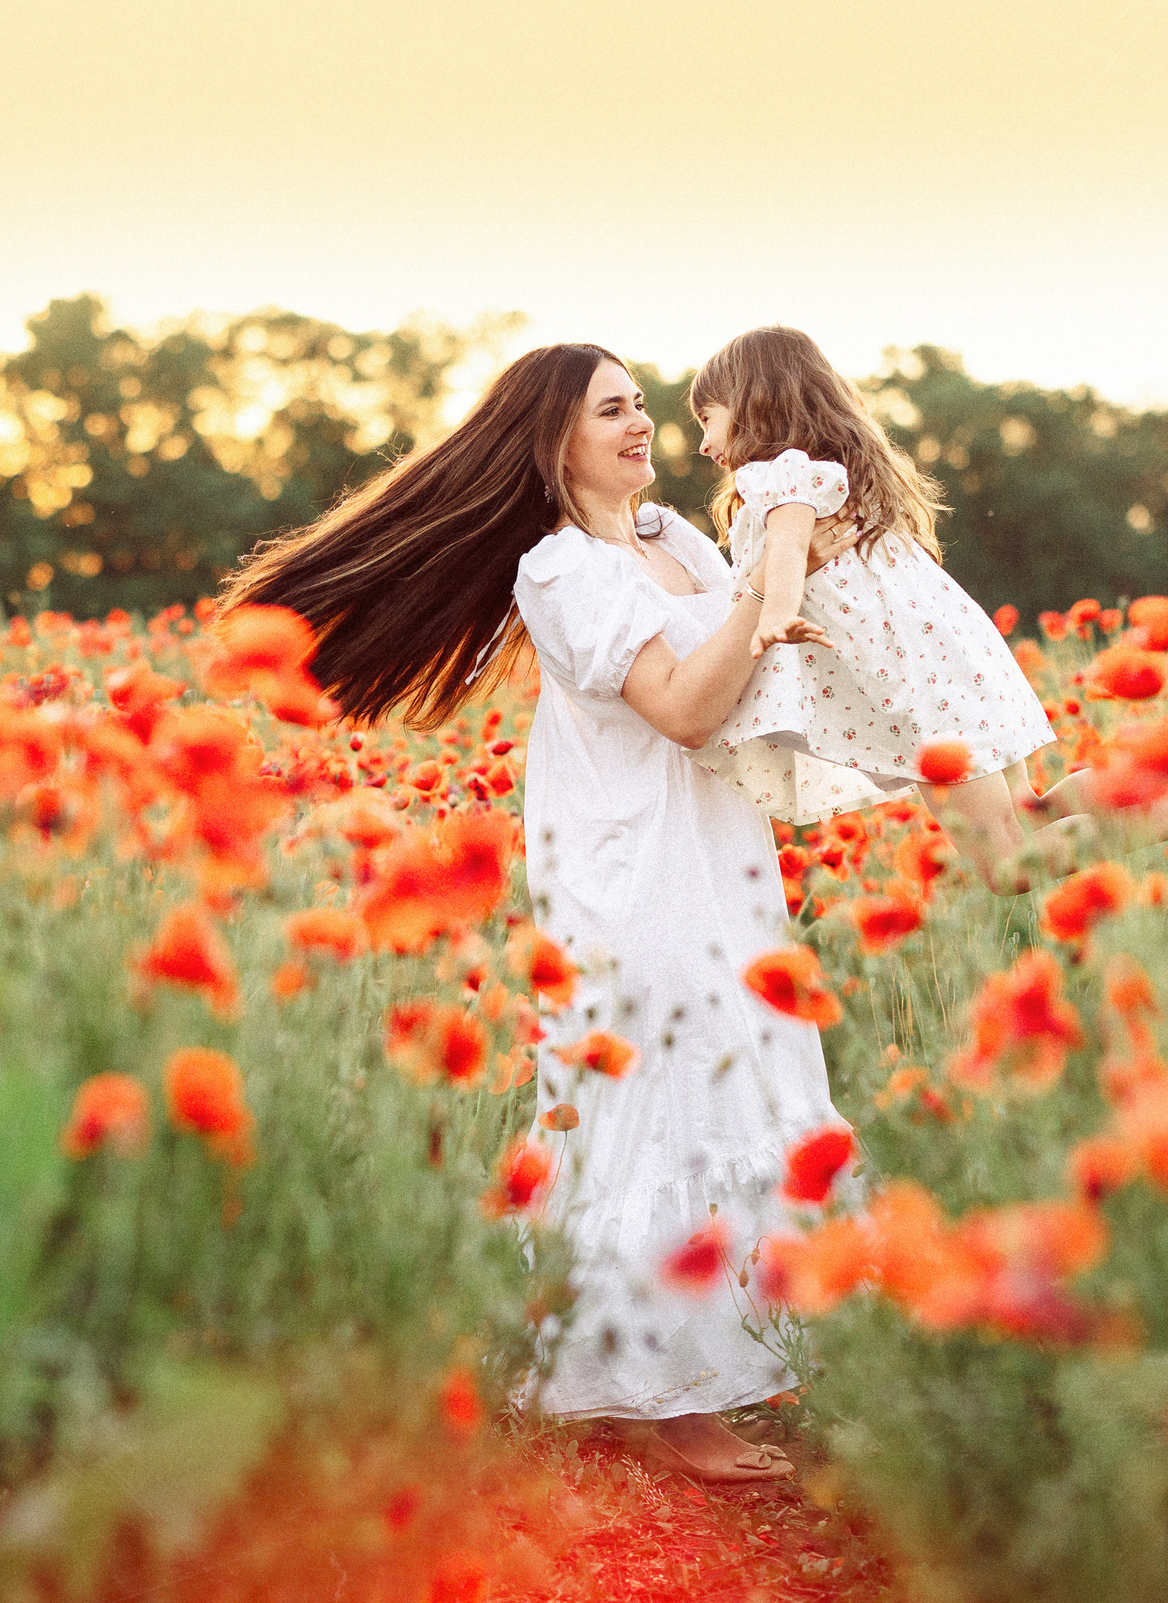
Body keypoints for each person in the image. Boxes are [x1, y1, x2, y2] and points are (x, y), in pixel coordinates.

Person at [224, 342, 861, 1485]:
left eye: (641, 406)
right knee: (657, 1091)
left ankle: (690, 1366)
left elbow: (750, 678)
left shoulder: (670, 539)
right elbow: (678, 706)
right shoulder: (560, 573)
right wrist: (762, 603)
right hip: (633, 867)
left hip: (720, 850)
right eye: (611, 410)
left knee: (743, 1069)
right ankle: (664, 1398)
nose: (641, 425)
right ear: (553, 438)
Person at [684, 326, 1073, 887]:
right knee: (1028, 817)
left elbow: (790, 547)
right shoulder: (834, 469)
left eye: (708, 419)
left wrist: (774, 616)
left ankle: (1167, 807)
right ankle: (1167, 794)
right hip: (949, 669)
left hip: (920, 692)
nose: (703, 443)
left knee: (1008, 869)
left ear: (753, 405)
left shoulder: (781, 477)